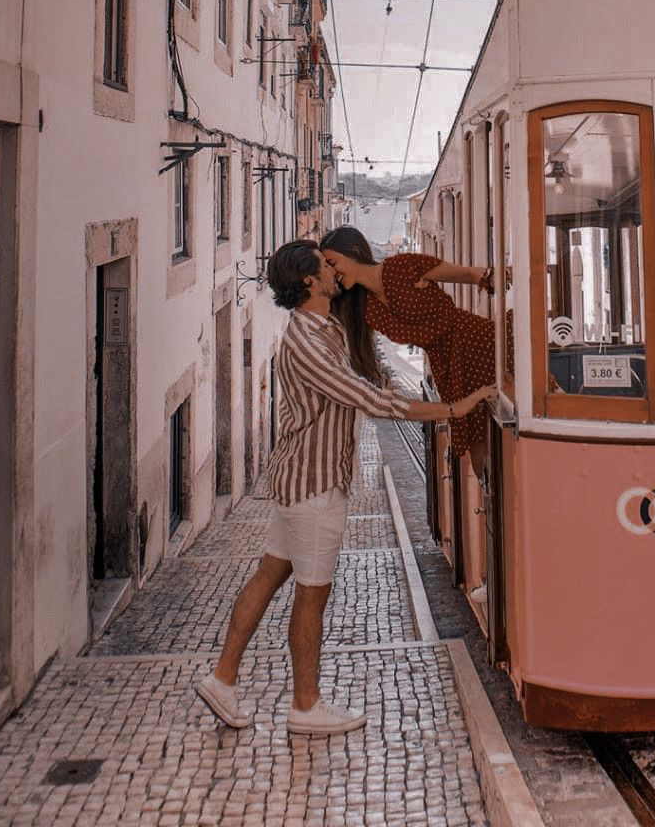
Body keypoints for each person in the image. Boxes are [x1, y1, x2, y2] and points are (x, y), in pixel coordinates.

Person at [195, 240, 495, 735]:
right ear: (309, 282)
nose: (333, 270)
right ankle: (305, 706)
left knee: (268, 577)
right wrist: (452, 409)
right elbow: (371, 400)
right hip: (313, 485)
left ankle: (222, 679)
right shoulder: (310, 344)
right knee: (312, 595)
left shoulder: (322, 326)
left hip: (299, 479)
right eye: (325, 265)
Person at [319, 226, 495, 477]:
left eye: (333, 262)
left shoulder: (399, 267)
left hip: (476, 342)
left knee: (493, 433)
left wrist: (496, 276)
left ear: (354, 250)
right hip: (445, 364)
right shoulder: (364, 307)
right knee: (478, 452)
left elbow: (468, 274)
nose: (332, 272)